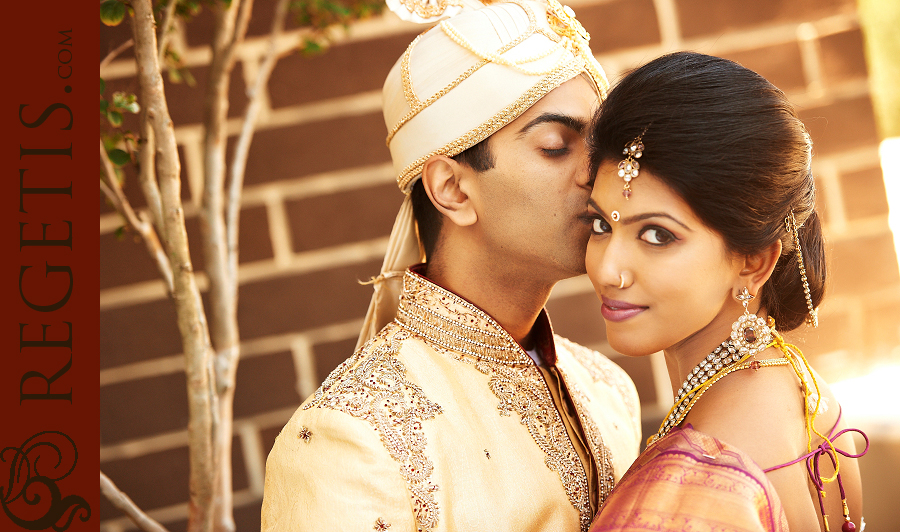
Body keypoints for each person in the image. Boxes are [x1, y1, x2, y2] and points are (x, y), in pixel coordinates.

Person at [260, 1, 642, 531]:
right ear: (452, 188)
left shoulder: (608, 388)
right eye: (557, 146)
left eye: (598, 146)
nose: (595, 174)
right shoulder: (353, 437)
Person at [584, 51, 868, 532]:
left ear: (753, 262)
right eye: (599, 223)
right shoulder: (802, 389)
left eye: (657, 235)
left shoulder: (691, 488)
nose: (608, 270)